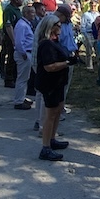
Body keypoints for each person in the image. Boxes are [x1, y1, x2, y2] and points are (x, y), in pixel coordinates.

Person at [34, 14, 71, 160]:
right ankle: (45, 147)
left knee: (58, 110)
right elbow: (49, 66)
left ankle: (52, 139)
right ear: (51, 26)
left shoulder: (54, 42)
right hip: (50, 84)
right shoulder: (46, 44)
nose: (60, 27)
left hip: (58, 82)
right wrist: (67, 63)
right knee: (50, 115)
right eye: (57, 25)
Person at [13, 5, 36, 110]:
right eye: (32, 12)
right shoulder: (22, 25)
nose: (34, 14)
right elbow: (18, 41)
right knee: (22, 78)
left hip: (27, 52)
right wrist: (23, 53)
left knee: (25, 77)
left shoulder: (26, 24)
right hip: (24, 54)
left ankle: (22, 97)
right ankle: (18, 101)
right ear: (26, 13)